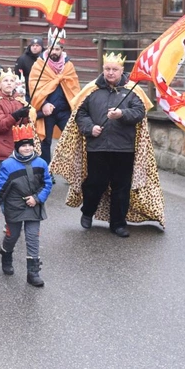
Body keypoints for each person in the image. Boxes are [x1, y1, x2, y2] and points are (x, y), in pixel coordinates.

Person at [70, 53, 156, 238]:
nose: (110, 73)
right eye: (107, 69)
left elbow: (139, 112)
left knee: (121, 186)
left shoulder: (132, 90)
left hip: (124, 147)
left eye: (114, 69)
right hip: (97, 146)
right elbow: (80, 113)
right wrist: (89, 128)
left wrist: (122, 114)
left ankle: (118, 223)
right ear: (103, 70)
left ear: (121, 71)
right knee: (95, 183)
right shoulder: (91, 90)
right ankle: (88, 211)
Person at [0, 125, 52, 286]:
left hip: (33, 206)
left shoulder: (41, 163)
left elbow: (48, 183)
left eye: (30, 145)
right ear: (17, 147)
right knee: (12, 236)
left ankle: (33, 272)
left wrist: (37, 198)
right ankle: (6, 253)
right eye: (23, 145)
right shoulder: (8, 165)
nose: (27, 148)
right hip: (14, 207)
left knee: (32, 237)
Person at [28, 29, 80, 166]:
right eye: (52, 48)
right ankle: (46, 170)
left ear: (62, 49)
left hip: (64, 110)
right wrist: (44, 103)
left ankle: (71, 170)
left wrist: (73, 105)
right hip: (47, 111)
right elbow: (34, 86)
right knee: (45, 141)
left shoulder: (68, 65)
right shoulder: (39, 65)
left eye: (57, 49)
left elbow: (74, 86)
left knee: (72, 139)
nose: (54, 52)